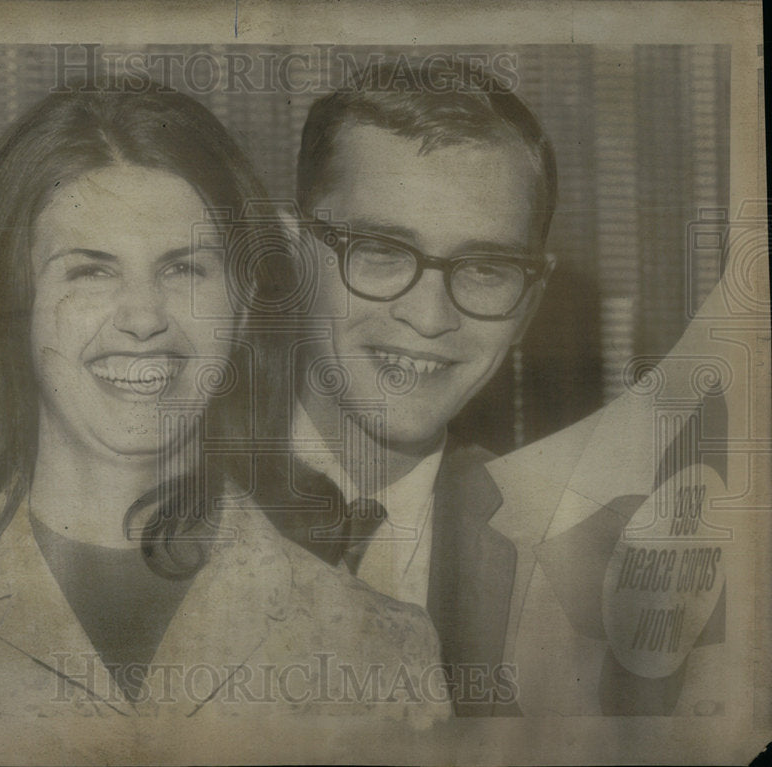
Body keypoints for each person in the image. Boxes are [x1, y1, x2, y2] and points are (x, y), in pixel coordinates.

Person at [0, 82, 449, 749]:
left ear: (242, 309)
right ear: (13, 309)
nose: (144, 317)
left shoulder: (381, 652)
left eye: (183, 269)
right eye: (90, 272)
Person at [274, 60, 726, 717]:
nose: (429, 317)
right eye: (380, 249)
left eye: (485, 268)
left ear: (528, 303)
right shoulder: (142, 506)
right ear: (291, 255)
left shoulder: (610, 590)